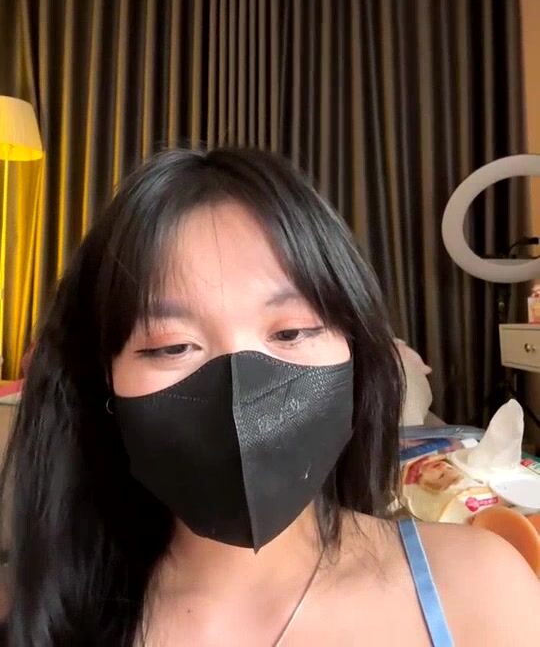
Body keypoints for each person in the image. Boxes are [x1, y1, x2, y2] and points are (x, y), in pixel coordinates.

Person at [0, 148, 538, 646]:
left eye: (291, 332)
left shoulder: (479, 586)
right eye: (173, 346)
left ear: (357, 354)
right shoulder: (39, 617)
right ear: (104, 383)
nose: (241, 395)